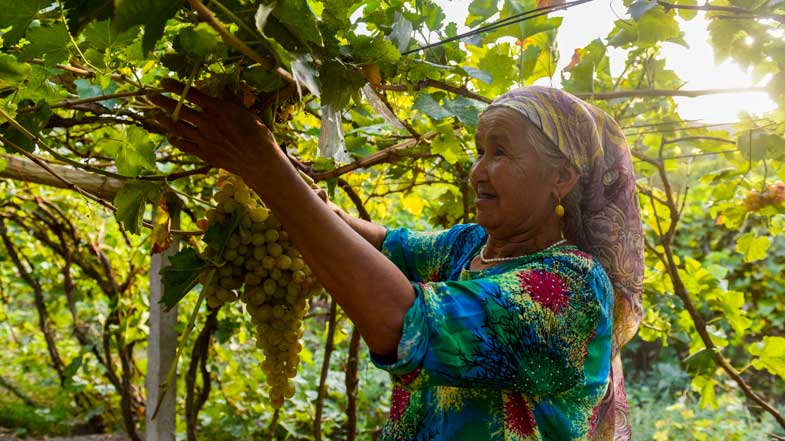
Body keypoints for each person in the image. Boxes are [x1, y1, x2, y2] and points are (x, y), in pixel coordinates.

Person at [150, 82, 643, 440]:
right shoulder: (472, 244)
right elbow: (387, 244)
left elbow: (401, 322)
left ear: (562, 178)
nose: (477, 172)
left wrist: (265, 168)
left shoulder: (571, 288)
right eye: (479, 151)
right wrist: (291, 186)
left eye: (499, 152)